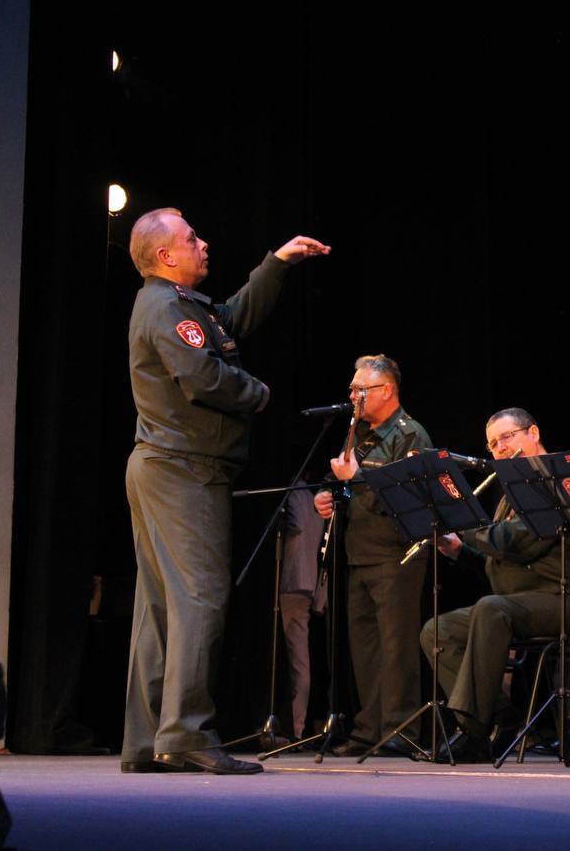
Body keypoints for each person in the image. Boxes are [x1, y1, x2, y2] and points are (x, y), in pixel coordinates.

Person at [122, 208, 329, 775]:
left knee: (161, 607)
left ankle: (150, 740)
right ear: (166, 255)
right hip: (184, 469)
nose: (203, 244)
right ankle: (185, 732)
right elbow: (203, 376)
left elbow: (231, 317)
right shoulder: (166, 308)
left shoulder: (180, 305)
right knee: (200, 597)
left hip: (168, 465)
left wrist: (277, 263)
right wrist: (257, 392)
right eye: (191, 239)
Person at [422, 408, 570, 763]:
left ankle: (473, 732)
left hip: (565, 597)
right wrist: (459, 551)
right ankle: (505, 720)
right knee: (438, 631)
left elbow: (512, 542)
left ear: (533, 433)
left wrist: (462, 522)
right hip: (518, 603)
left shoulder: (556, 479)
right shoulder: (511, 493)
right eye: (492, 444)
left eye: (507, 438)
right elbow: (501, 563)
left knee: (491, 608)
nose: (500, 448)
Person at [314, 355, 433, 756]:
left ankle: (400, 729)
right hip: (358, 552)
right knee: (365, 647)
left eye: (360, 389)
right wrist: (326, 496)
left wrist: (357, 477)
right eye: (352, 389)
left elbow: (409, 496)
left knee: (396, 646)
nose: (352, 396)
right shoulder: (360, 434)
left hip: (396, 553)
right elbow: (341, 483)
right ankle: (369, 728)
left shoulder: (410, 434)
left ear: (387, 391)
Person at [279, 484, 327, 743]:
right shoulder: (313, 496)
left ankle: (292, 727)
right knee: (300, 659)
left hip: (290, 582)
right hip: (307, 582)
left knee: (293, 660)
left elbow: (297, 529)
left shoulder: (296, 495)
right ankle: (296, 726)